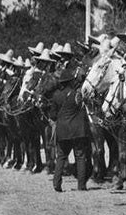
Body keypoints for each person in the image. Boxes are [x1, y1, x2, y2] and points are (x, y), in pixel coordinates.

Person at [39, 54, 92, 192]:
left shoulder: (56, 95)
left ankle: (57, 184)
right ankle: (81, 185)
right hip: (78, 130)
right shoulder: (77, 94)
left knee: (61, 157)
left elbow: (52, 115)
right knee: (80, 157)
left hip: (62, 130)